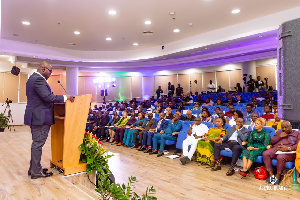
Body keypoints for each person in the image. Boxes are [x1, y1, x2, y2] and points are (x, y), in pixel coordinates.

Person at [24, 61, 74, 179]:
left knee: (37, 143)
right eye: (50, 71)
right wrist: (66, 97)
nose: (51, 73)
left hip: (36, 116)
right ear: (43, 69)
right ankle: (36, 172)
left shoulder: (32, 78)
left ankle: (34, 168)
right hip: (39, 117)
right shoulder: (38, 79)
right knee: (38, 144)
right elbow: (47, 97)